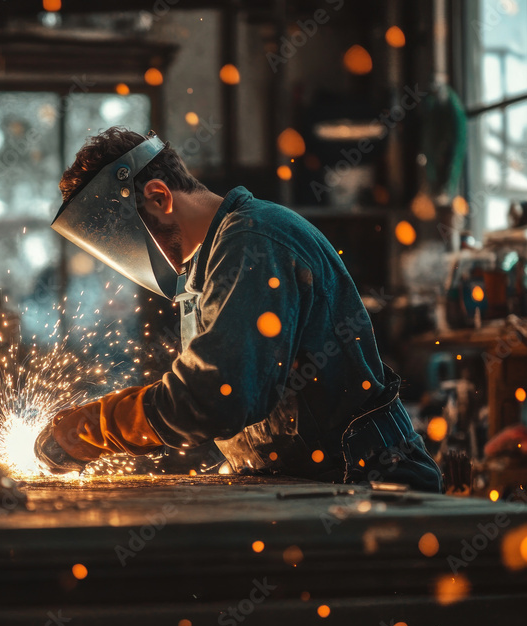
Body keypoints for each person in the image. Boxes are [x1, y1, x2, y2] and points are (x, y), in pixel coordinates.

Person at [32, 127, 444, 493]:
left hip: (375, 488)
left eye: (126, 240)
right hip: (309, 487)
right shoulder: (207, 266)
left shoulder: (254, 241)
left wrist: (94, 428)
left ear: (159, 197)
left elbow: (216, 395)